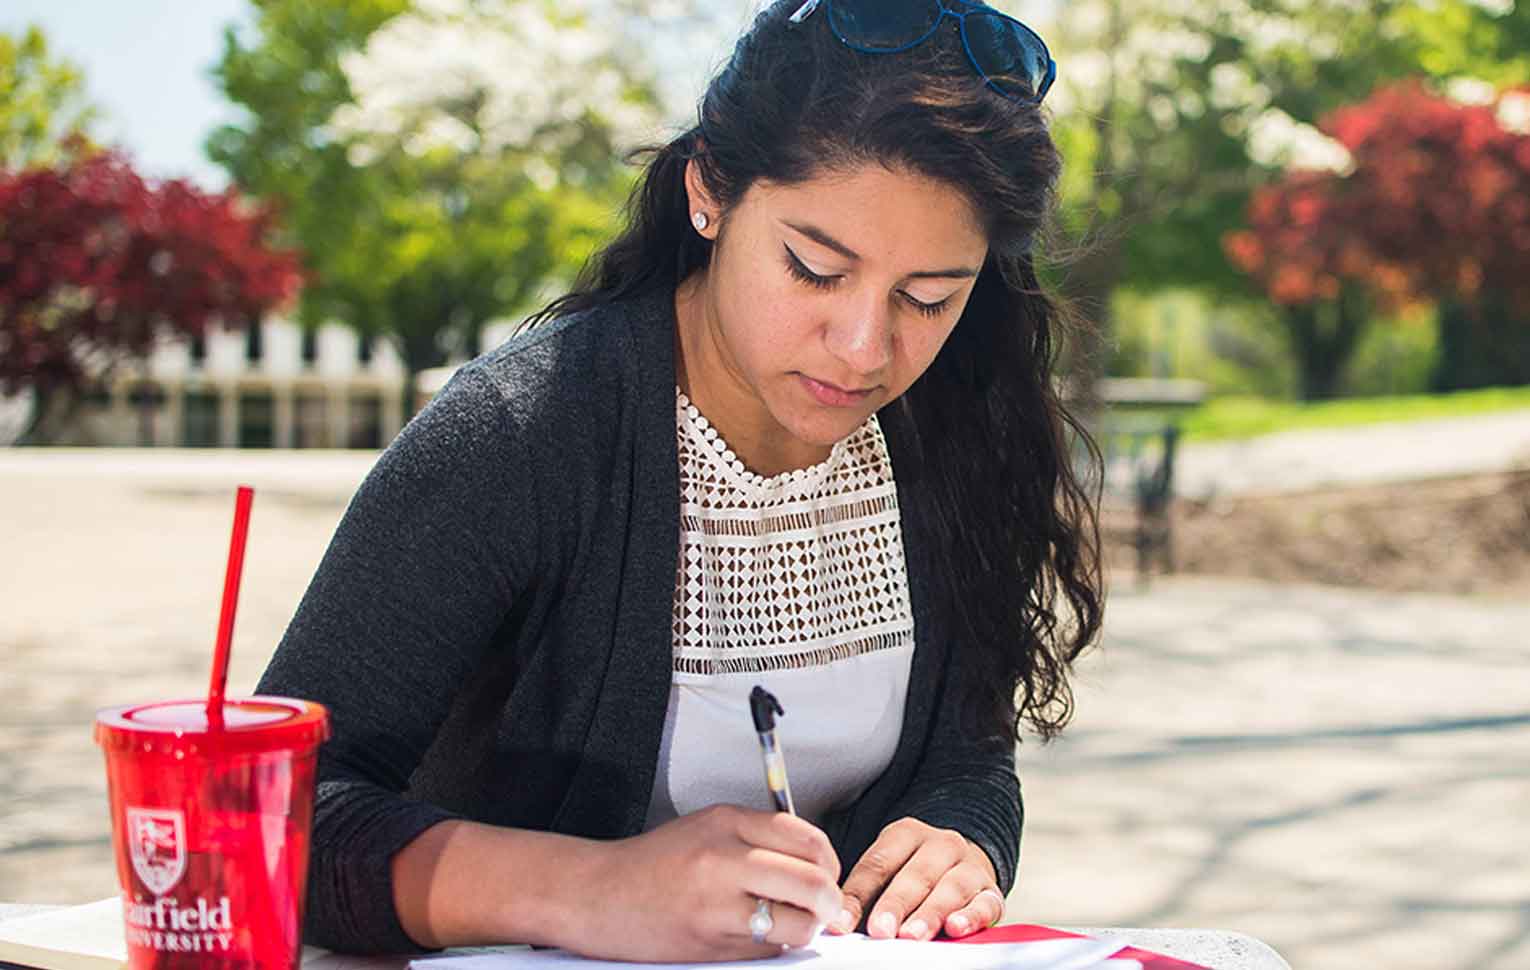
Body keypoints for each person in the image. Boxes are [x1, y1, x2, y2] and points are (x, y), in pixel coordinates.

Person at [256, 0, 1103, 962]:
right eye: (815, 269)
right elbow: (273, 817)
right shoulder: (523, 434)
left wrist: (961, 836)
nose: (867, 349)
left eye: (928, 298)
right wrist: (591, 889)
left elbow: (964, 752)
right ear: (710, 191)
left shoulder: (950, 427)